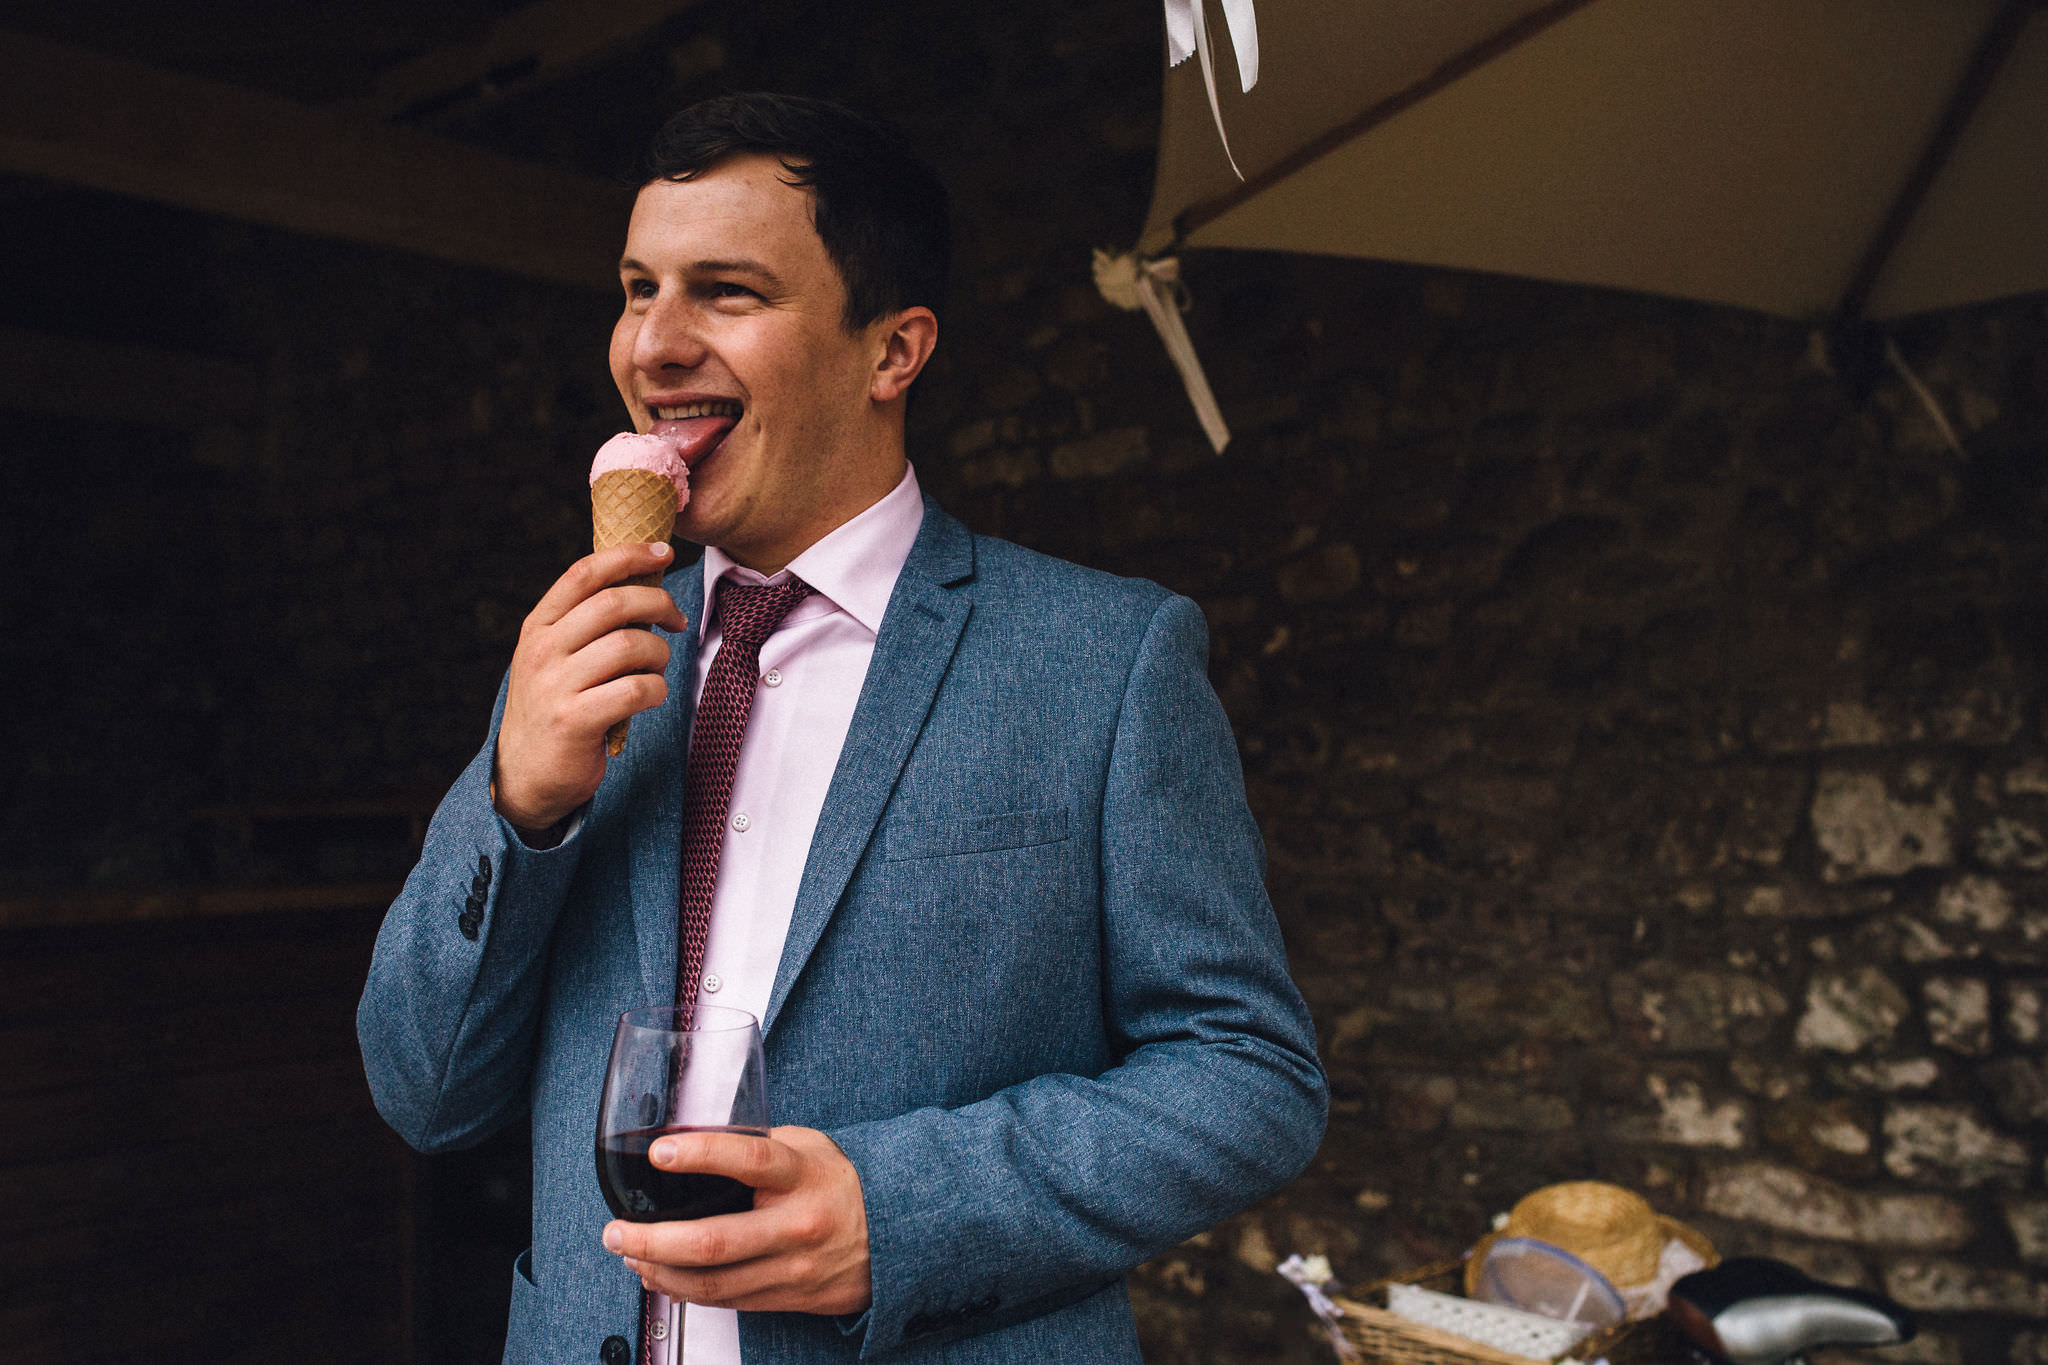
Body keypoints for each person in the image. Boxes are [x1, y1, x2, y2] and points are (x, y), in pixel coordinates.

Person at [357, 92, 1326, 1365]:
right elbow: (425, 1097)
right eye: (637, 287)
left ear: (893, 351)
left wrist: (904, 1211)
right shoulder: (577, 668)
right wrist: (517, 808)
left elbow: (1248, 1074)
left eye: (726, 293)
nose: (652, 343)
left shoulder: (1104, 662)